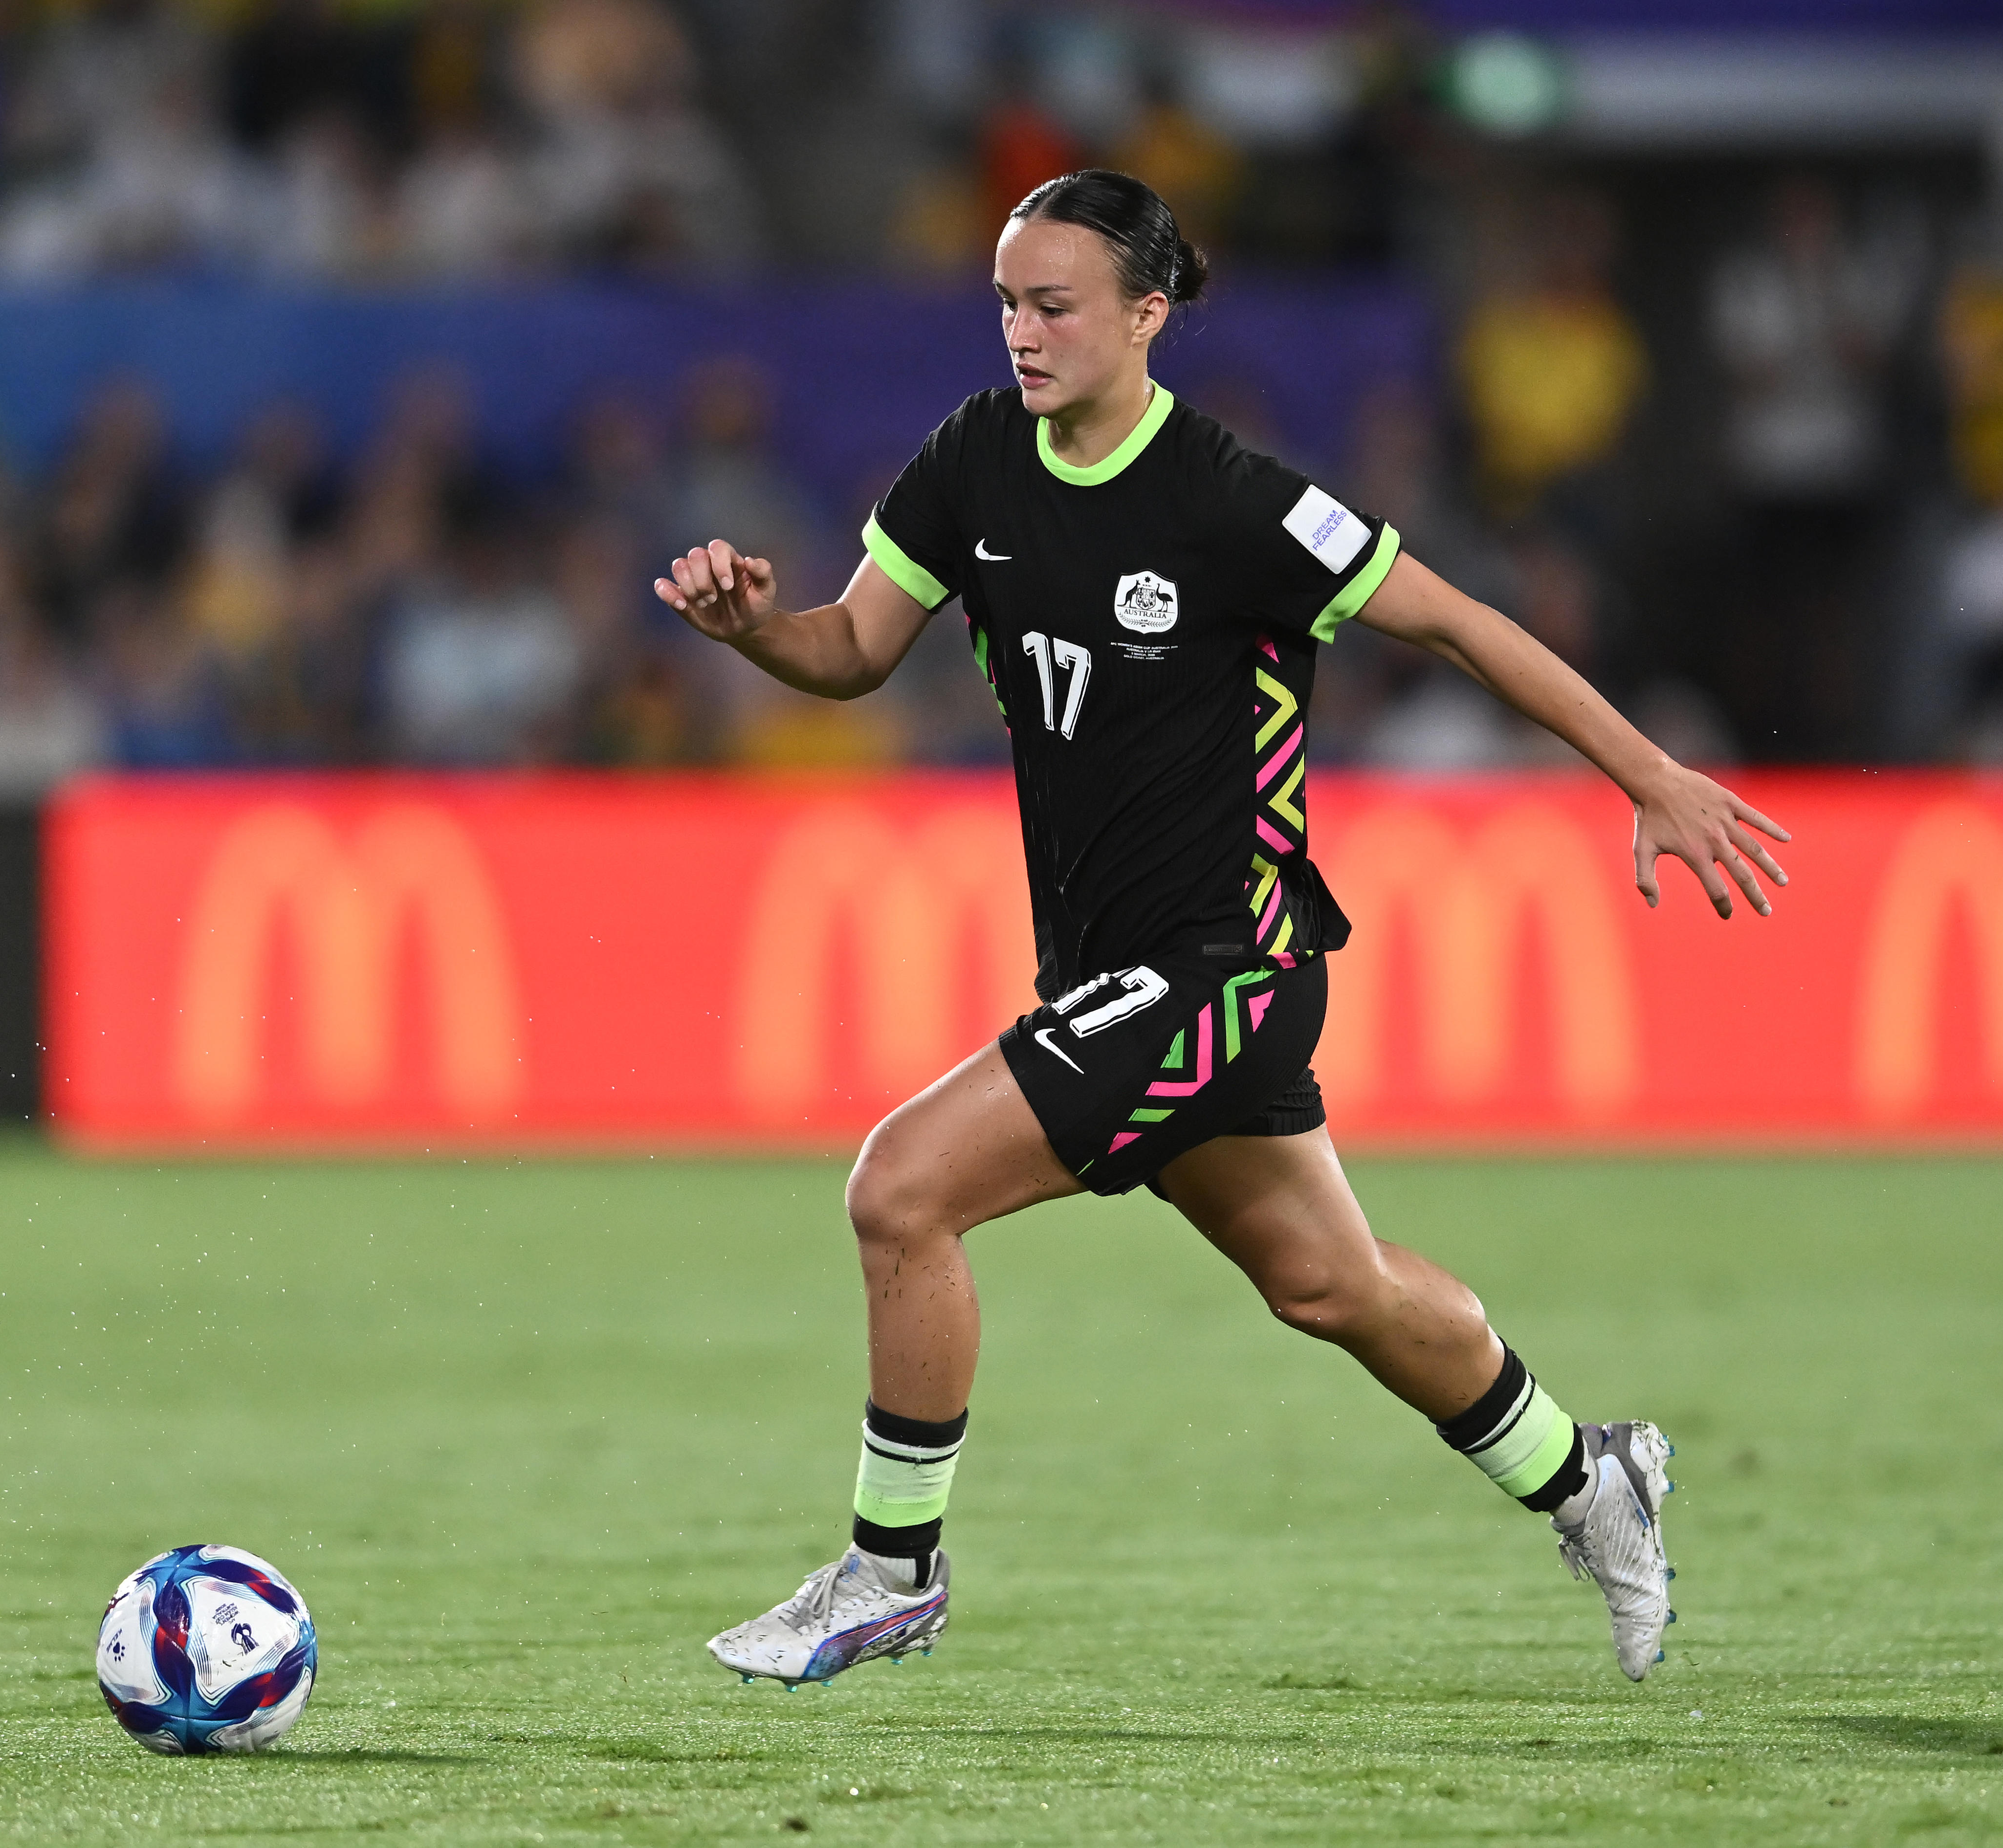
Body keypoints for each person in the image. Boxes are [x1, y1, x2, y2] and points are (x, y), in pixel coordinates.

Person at [654, 170, 1789, 1689]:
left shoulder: (1238, 503)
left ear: (1148, 311)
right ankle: (1592, 1474)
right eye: (1006, 299)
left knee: (899, 1189)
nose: (1022, 330)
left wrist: (1648, 775)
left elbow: (1456, 619)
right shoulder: (974, 461)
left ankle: (889, 1569)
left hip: (1224, 965)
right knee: (1336, 1287)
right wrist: (751, 631)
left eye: (1055, 303)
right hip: (1110, 967)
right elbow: (854, 647)